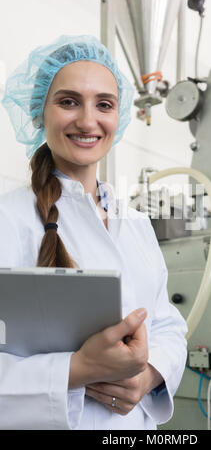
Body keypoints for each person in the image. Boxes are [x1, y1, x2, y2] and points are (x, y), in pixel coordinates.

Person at [0, 35, 187, 430]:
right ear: (39, 114)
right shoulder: (8, 219)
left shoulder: (135, 223)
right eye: (68, 102)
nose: (87, 121)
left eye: (104, 104)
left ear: (118, 118)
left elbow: (167, 324)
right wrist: (76, 369)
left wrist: (148, 376)